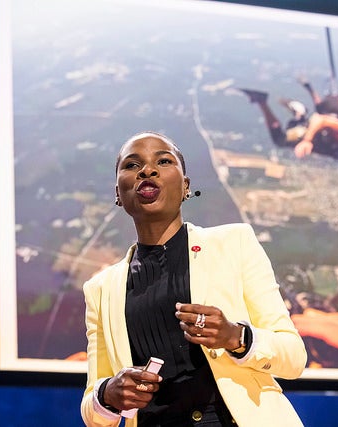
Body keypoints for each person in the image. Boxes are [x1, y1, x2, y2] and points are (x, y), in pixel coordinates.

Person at [80, 131, 307, 427]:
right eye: (132, 165)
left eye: (163, 161)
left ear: (185, 186)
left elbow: (293, 356)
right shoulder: (101, 289)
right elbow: (92, 410)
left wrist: (235, 337)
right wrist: (108, 394)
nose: (147, 170)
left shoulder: (235, 243)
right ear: (118, 194)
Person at [239, 88, 338, 189]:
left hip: (315, 137)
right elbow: (321, 120)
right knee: (281, 139)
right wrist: (307, 140)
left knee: (292, 131)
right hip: (313, 132)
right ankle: (263, 102)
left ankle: (299, 113)